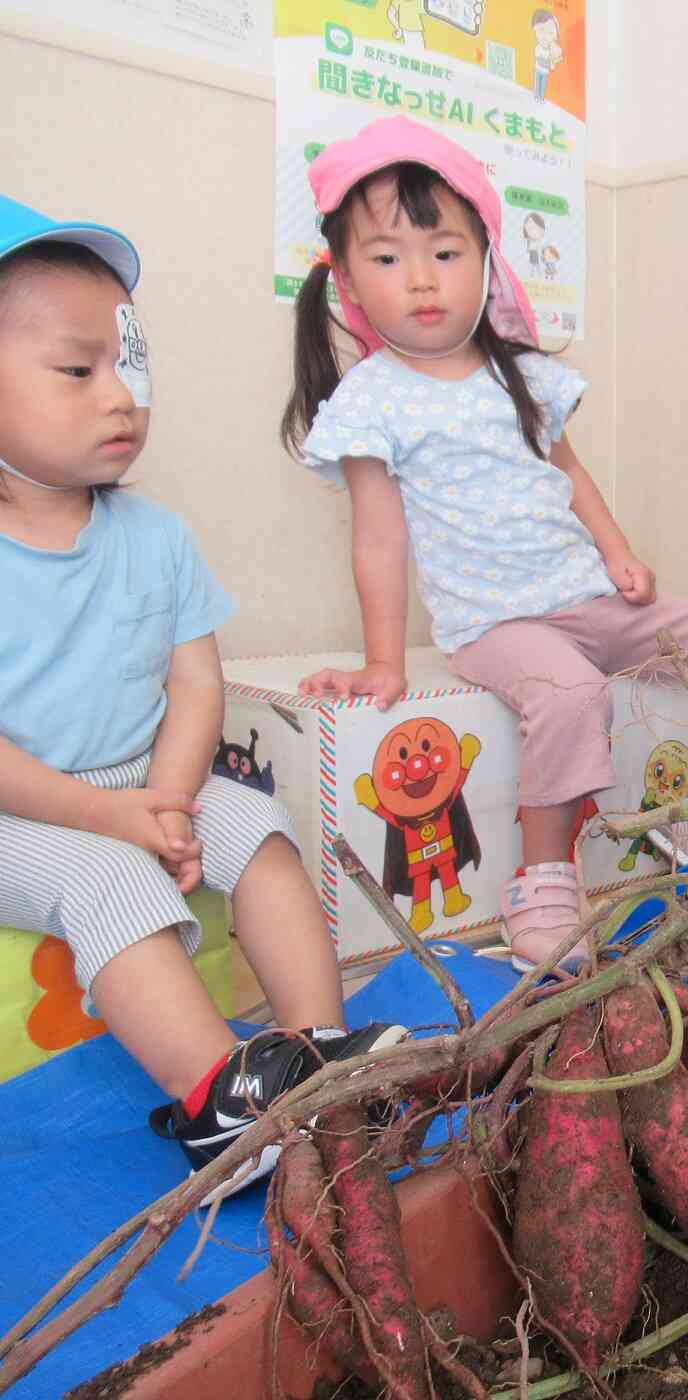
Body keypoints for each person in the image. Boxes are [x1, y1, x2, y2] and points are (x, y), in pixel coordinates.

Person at [281, 118, 688, 973]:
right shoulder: (374, 401)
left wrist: (619, 552)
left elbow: (572, 476)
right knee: (570, 692)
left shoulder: (522, 373)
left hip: (586, 596)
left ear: (484, 257)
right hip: (497, 622)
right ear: (350, 285)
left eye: (444, 252)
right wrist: (383, 663)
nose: (422, 280)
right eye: (388, 258)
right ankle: (544, 878)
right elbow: (377, 536)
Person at [0, 195, 404, 1198]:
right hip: (22, 806)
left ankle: (316, 1050)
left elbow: (195, 681)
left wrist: (173, 799)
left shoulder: (157, 536)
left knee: (259, 825)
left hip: (147, 779)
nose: (121, 397)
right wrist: (111, 817)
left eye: (130, 367)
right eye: (79, 371)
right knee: (109, 879)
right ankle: (215, 1103)